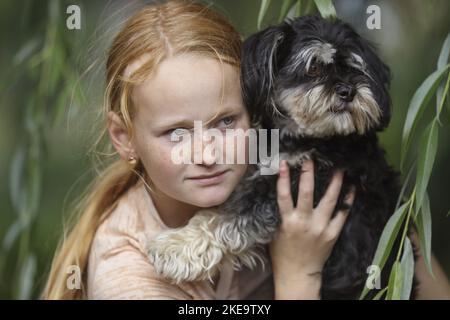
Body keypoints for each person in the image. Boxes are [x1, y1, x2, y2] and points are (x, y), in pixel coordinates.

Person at [43, 0, 450, 300]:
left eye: (226, 122)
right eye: (176, 133)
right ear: (124, 138)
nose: (207, 153)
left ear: (257, 105)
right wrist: (298, 275)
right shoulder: (126, 279)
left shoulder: (278, 150)